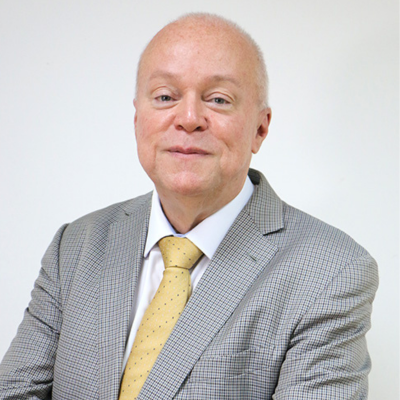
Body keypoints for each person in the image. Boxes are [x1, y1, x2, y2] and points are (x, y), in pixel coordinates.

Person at [0, 12, 378, 400]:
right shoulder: (76, 245)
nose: (189, 118)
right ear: (138, 119)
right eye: (166, 97)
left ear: (260, 128)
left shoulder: (332, 271)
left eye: (218, 99)